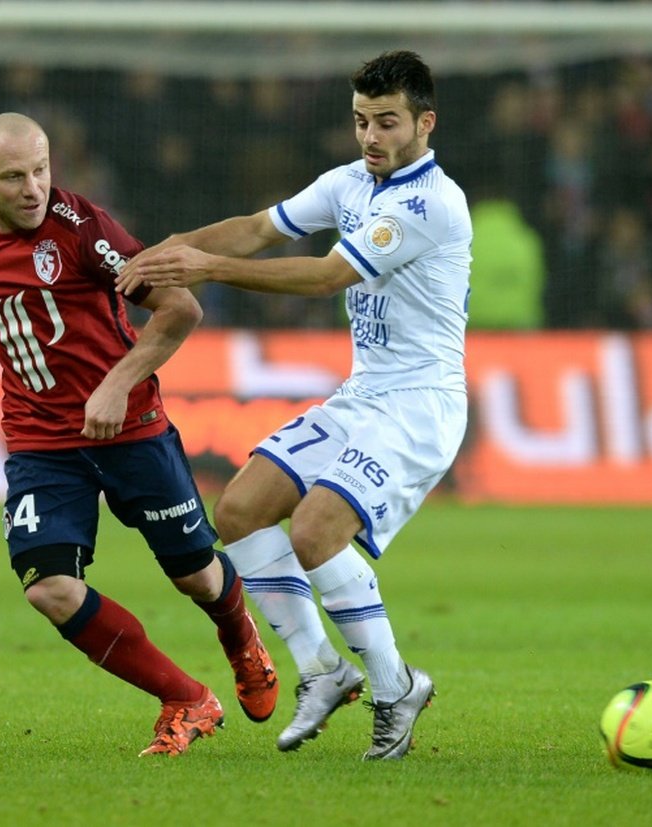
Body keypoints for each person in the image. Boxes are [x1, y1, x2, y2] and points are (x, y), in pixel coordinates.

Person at [0, 112, 279, 757]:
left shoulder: (85, 230)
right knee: (49, 587)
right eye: (14, 177)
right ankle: (185, 699)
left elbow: (181, 308)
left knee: (197, 578)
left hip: (131, 430)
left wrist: (117, 385)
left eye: (41, 169)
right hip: (42, 442)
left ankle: (240, 638)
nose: (34, 187)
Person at [115, 51, 472, 760]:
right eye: (361, 120)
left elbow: (325, 274)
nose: (370, 136)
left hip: (420, 405)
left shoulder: (429, 201)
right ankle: (321, 669)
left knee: (314, 532)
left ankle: (395, 683)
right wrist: (165, 251)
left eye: (387, 122)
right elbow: (257, 227)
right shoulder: (348, 182)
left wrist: (207, 268)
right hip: (364, 393)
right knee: (240, 510)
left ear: (425, 123)